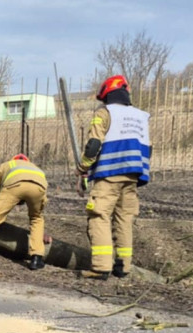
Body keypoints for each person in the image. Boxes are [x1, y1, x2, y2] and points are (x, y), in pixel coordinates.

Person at [77, 74, 150, 279]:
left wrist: (83, 166)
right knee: (124, 220)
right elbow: (148, 148)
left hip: (109, 173)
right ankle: (123, 266)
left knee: (99, 216)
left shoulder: (105, 112)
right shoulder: (141, 116)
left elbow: (94, 144)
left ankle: (101, 267)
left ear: (107, 95)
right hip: (133, 174)